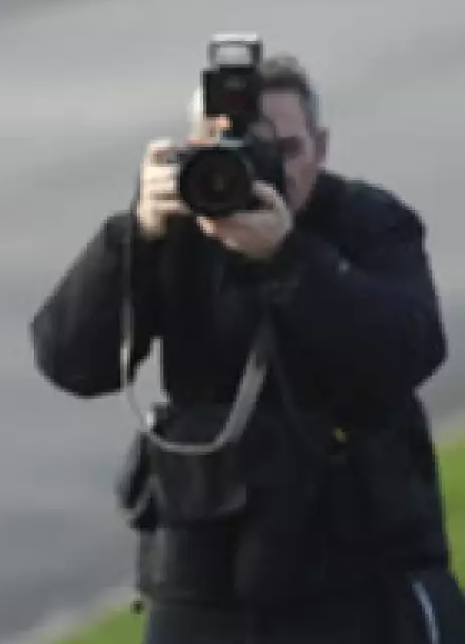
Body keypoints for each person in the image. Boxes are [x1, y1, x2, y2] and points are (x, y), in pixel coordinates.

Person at [30, 51, 465, 642]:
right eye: (231, 151)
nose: (261, 171)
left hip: (359, 569)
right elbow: (70, 362)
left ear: (322, 146)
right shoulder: (171, 232)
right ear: (192, 148)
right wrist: (133, 238)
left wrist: (288, 260)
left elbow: (406, 352)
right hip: (206, 572)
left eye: (283, 151)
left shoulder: (368, 222)